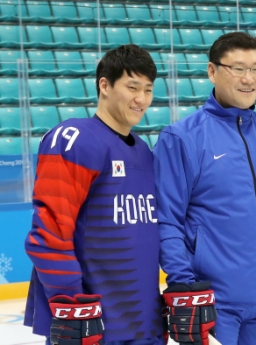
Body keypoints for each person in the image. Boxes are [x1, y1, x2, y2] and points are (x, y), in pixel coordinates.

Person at [153, 32, 256, 345]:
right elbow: (168, 221)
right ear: (212, 71)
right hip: (213, 308)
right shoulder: (182, 139)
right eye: (238, 69)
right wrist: (184, 287)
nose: (249, 79)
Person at [23, 44, 165, 344]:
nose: (142, 99)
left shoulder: (143, 151)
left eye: (148, 90)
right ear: (104, 85)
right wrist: (72, 305)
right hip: (92, 326)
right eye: (132, 87)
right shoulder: (75, 139)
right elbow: (48, 234)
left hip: (143, 324)